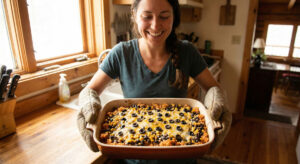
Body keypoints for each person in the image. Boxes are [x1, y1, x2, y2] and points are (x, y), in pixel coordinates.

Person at [77, 0, 232, 163]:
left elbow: (214, 88)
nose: (155, 25)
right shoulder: (121, 54)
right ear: (135, 15)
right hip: (135, 160)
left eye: (164, 16)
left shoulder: (187, 52)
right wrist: (88, 107)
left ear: (174, 18)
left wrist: (218, 105)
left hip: (182, 158)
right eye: (147, 16)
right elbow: (90, 90)